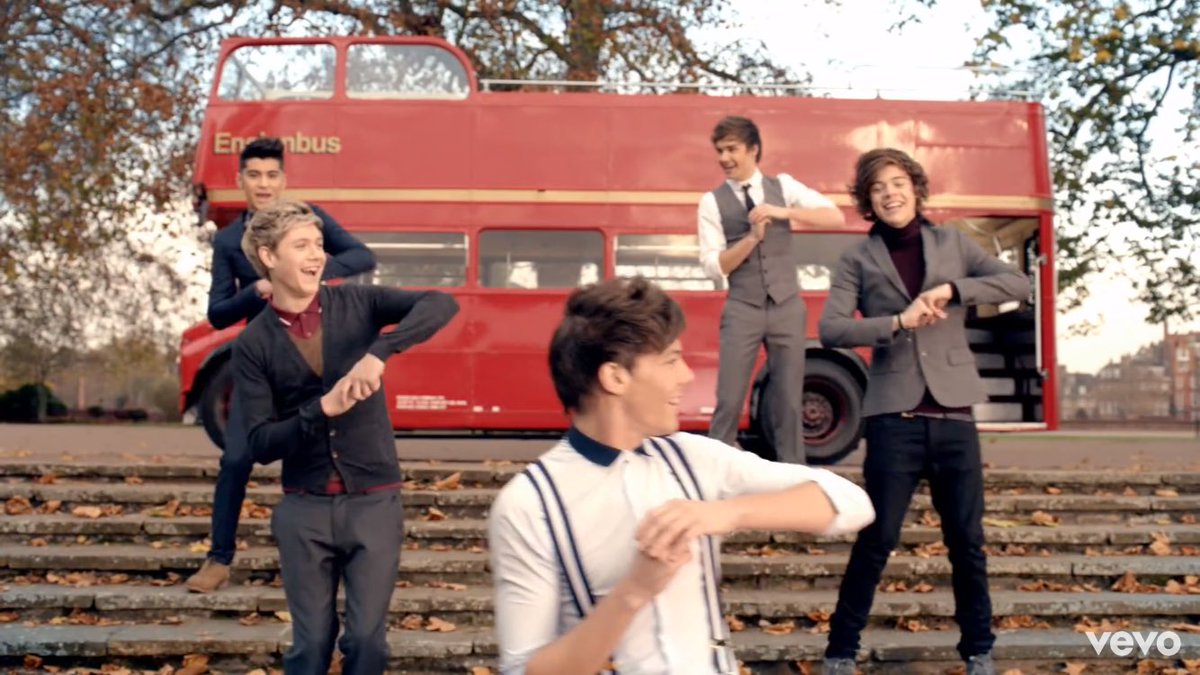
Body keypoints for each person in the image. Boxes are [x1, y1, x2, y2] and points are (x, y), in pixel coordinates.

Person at [487, 276, 875, 675]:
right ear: (615, 377)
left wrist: (724, 513)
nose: (686, 375)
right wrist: (633, 592)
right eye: (671, 360)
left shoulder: (692, 458)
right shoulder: (529, 504)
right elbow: (522, 669)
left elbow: (851, 503)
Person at [818, 148, 1031, 675]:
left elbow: (1018, 283)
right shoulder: (857, 259)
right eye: (877, 188)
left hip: (955, 415)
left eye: (897, 182)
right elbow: (832, 328)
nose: (889, 193)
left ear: (914, 187)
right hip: (895, 419)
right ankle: (840, 652)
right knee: (877, 539)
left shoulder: (953, 243)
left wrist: (954, 289)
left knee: (968, 542)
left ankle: (979, 650)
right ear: (868, 201)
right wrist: (898, 321)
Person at [232, 200, 458, 674]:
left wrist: (381, 351)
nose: (317, 255)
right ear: (269, 257)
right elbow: (259, 444)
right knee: (311, 647)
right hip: (304, 509)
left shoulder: (360, 303)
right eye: (302, 245)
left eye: (319, 244)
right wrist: (321, 410)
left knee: (366, 642)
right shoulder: (252, 344)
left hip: (374, 501)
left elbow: (441, 302)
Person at [187, 137, 376, 593]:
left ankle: (346, 560)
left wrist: (307, 270)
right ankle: (218, 560)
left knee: (332, 456)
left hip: (312, 360)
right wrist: (256, 291)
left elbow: (362, 256)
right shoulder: (229, 241)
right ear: (241, 180)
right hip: (258, 365)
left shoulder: (307, 220)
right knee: (236, 458)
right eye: (254, 175)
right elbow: (217, 314)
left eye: (272, 175)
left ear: (284, 180)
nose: (264, 183)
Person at [697, 115, 846, 464]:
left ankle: (793, 473)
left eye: (731, 149)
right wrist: (751, 239)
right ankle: (713, 473)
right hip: (742, 308)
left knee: (789, 400)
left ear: (753, 149)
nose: (724, 158)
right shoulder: (711, 202)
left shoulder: (783, 186)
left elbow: (835, 217)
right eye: (720, 151)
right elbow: (715, 266)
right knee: (729, 399)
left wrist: (781, 212)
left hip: (786, 306)